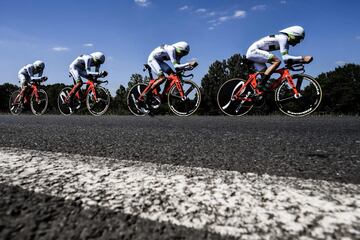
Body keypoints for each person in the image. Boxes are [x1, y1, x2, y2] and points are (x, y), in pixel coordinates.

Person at [246, 26, 313, 91]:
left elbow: (287, 60)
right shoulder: (283, 38)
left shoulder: (284, 41)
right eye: (298, 39)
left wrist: (300, 61)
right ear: (293, 35)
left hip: (254, 52)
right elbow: (286, 58)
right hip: (254, 51)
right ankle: (261, 85)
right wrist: (303, 58)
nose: (298, 42)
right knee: (277, 61)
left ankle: (258, 93)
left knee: (265, 73)